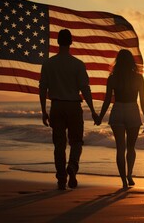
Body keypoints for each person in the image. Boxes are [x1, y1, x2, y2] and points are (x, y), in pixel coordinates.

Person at [39, 29, 99, 190]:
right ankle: (72, 166)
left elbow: (42, 87)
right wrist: (93, 110)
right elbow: (85, 89)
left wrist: (43, 110)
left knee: (59, 145)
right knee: (76, 141)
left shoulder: (48, 64)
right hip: (73, 106)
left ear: (58, 42)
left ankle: (61, 179)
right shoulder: (77, 64)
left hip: (57, 106)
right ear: (71, 42)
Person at [97, 49, 144, 188]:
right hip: (132, 110)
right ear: (131, 61)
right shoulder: (138, 78)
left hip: (118, 110)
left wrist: (100, 117)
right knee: (131, 147)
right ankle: (129, 174)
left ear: (118, 61)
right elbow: (143, 100)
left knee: (120, 148)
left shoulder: (113, 77)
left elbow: (107, 100)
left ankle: (124, 181)